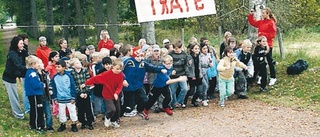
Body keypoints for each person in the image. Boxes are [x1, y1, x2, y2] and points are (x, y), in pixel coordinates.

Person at [122, 47, 165, 120]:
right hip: (128, 86)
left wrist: (161, 69)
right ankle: (117, 117)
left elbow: (152, 68)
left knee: (145, 99)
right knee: (127, 105)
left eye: (141, 56)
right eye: (137, 56)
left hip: (138, 85)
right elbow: (120, 71)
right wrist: (124, 80)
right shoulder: (127, 62)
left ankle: (140, 110)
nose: (139, 58)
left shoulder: (143, 62)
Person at [81, 58, 124, 128]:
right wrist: (86, 83)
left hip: (115, 94)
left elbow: (120, 86)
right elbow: (96, 78)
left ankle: (113, 121)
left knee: (118, 110)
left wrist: (116, 93)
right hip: (107, 95)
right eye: (117, 69)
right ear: (113, 66)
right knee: (112, 109)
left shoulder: (121, 75)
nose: (119, 71)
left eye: (120, 69)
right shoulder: (106, 74)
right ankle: (107, 117)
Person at [248, 7, 277, 86]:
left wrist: (262, 35)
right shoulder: (261, 22)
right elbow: (253, 23)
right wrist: (251, 15)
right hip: (260, 45)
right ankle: (261, 76)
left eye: (263, 13)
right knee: (259, 61)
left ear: (268, 14)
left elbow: (272, 35)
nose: (262, 14)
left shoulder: (271, 22)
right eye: (262, 13)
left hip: (268, 45)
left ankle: (273, 77)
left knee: (269, 61)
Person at [2, 36, 26, 119]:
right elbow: (18, 66)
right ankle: (18, 115)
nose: (23, 45)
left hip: (13, 77)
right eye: (21, 43)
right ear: (16, 44)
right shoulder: (12, 54)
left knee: (15, 95)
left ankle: (18, 113)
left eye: (23, 43)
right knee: (14, 97)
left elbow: (23, 60)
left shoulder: (19, 52)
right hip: (8, 78)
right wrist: (29, 67)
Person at [51, 60, 78, 132]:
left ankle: (74, 124)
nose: (57, 68)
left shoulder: (68, 76)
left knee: (72, 111)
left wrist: (73, 97)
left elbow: (72, 86)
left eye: (59, 67)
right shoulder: (54, 77)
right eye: (56, 67)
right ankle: (62, 124)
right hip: (60, 98)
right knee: (61, 112)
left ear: (63, 67)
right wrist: (55, 98)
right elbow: (54, 88)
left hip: (69, 98)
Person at [70, 58, 94, 130]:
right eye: (77, 63)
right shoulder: (72, 73)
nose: (79, 64)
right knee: (80, 109)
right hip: (78, 94)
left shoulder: (85, 71)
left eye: (79, 63)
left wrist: (86, 92)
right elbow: (73, 85)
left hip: (86, 92)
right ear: (73, 66)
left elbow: (88, 81)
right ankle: (83, 122)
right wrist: (79, 93)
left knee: (88, 108)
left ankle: (90, 122)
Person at [24, 55, 45, 132]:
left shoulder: (32, 72)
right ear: (33, 64)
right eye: (37, 63)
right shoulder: (32, 73)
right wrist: (42, 84)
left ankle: (37, 124)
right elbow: (35, 85)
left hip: (36, 94)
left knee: (37, 109)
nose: (38, 65)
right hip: (34, 94)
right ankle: (36, 125)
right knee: (36, 110)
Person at [169, 39, 190, 109]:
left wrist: (187, 74)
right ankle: (174, 103)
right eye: (174, 48)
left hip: (182, 75)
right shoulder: (171, 54)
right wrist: (171, 71)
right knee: (172, 91)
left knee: (184, 89)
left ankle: (179, 101)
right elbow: (168, 64)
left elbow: (186, 65)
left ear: (181, 48)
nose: (176, 50)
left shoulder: (184, 55)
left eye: (177, 48)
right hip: (173, 76)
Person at [36, 58, 54, 132]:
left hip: (46, 96)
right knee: (40, 112)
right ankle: (41, 125)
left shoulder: (45, 74)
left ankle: (49, 126)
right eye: (41, 63)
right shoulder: (35, 75)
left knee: (48, 112)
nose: (43, 65)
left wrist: (50, 89)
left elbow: (49, 82)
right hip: (38, 97)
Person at [18, 34, 30, 114]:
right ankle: (27, 109)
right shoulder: (23, 50)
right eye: (26, 39)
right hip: (24, 72)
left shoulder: (24, 49)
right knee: (26, 90)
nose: (27, 41)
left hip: (24, 72)